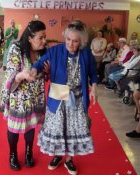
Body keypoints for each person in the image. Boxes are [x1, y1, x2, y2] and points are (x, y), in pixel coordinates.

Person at [31, 20, 98, 175]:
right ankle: (57, 156)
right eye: (68, 39)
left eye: (75, 41)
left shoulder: (86, 54)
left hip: (77, 96)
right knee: (57, 127)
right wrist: (34, 70)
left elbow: (93, 73)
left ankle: (69, 160)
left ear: (81, 41)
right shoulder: (55, 51)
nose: (71, 44)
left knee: (73, 129)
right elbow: (40, 63)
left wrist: (94, 88)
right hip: (59, 93)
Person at [0, 20, 47, 171]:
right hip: (18, 96)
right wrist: (21, 75)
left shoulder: (42, 51)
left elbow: (44, 74)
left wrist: (47, 71)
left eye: (45, 37)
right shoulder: (16, 48)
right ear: (30, 38)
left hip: (35, 96)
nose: (44, 41)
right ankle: (12, 154)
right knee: (14, 127)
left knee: (31, 125)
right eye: (41, 38)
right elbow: (10, 74)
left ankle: (28, 152)